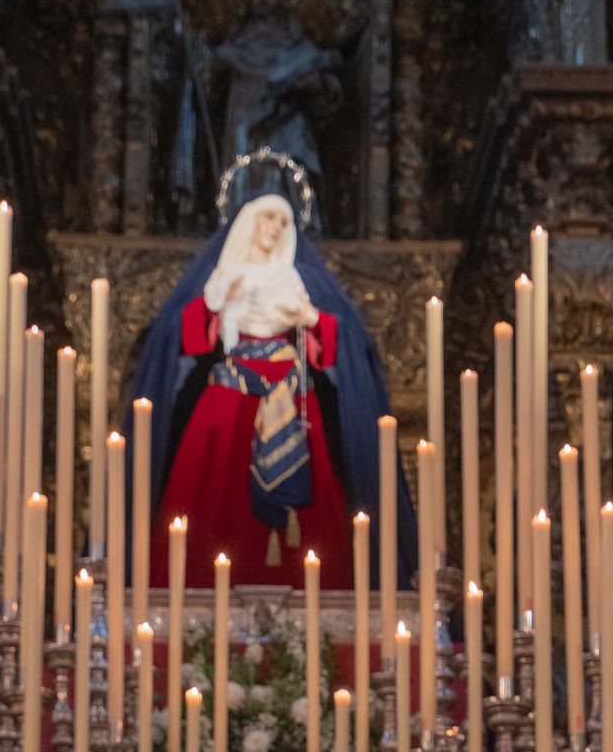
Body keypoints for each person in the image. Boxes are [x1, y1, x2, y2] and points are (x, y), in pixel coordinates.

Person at [132, 190, 416, 589]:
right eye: (268, 218)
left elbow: (331, 344)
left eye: (283, 222)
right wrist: (217, 302)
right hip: (232, 397)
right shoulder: (225, 276)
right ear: (249, 222)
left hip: (290, 393)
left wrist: (309, 316)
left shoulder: (296, 280)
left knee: (312, 514)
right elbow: (189, 337)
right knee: (215, 492)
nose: (276, 228)